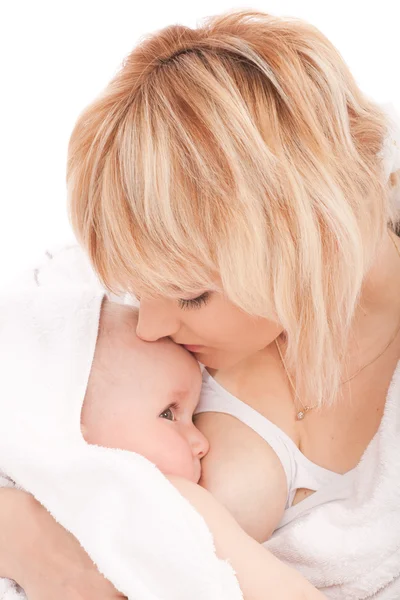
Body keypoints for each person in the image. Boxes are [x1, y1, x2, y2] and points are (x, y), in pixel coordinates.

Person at [1, 8, 399, 599]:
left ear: (311, 240)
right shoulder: (88, 308)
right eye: (139, 289)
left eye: (191, 295)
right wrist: (39, 546)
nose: (150, 326)